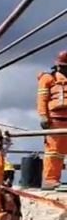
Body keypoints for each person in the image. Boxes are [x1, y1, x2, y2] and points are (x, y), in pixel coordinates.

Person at [37, 50, 67, 189]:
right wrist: (43, 116)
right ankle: (50, 180)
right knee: (54, 152)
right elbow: (42, 99)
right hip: (55, 121)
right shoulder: (48, 79)